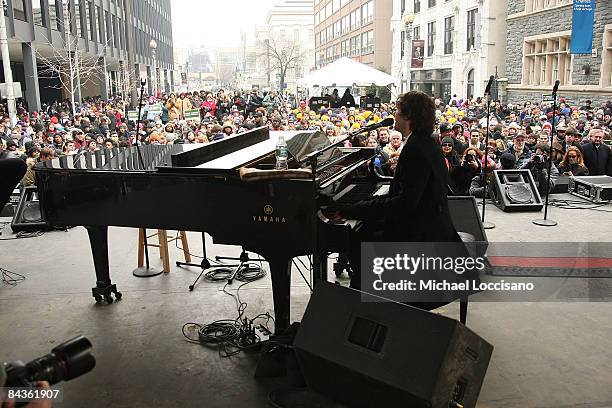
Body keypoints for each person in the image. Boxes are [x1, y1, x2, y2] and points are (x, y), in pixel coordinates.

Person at [331, 91, 473, 306]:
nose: (394, 116)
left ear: (408, 117)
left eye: (397, 112)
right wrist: (367, 207)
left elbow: (405, 204)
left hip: (422, 236)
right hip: (434, 225)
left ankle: (368, 298)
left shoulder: (415, 148)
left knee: (358, 237)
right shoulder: (428, 142)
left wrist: (352, 209)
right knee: (365, 228)